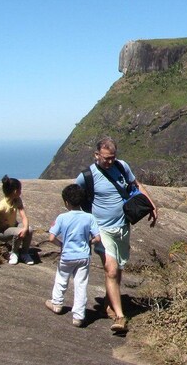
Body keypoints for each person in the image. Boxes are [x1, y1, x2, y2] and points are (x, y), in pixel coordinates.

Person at [76, 137, 157, 333]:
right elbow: (73, 195)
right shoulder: (87, 175)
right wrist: (83, 224)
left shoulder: (122, 167)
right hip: (102, 230)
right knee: (111, 270)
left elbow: (135, 184)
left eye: (112, 157)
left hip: (122, 226)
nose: (110, 162)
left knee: (118, 267)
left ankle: (109, 302)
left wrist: (152, 205)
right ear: (96, 155)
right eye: (106, 158)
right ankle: (120, 316)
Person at [45, 184, 101, 327]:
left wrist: (61, 245)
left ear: (66, 202)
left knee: (61, 278)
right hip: (83, 256)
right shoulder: (89, 217)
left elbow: (51, 237)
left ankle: (57, 304)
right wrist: (89, 242)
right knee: (81, 284)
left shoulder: (62, 217)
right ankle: (78, 316)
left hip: (67, 255)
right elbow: (98, 238)